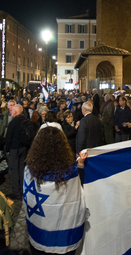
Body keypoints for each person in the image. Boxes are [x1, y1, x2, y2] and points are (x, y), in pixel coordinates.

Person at [24, 127, 87, 255]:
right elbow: (78, 191)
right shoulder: (70, 173)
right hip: (63, 233)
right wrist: (80, 165)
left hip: (39, 230)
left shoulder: (29, 170)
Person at [5, 105, 29, 199]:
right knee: (21, 169)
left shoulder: (13, 123)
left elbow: (9, 137)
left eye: (12, 110)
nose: (11, 112)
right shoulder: (25, 121)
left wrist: (7, 150)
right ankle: (23, 190)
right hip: (23, 148)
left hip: (14, 149)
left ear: (15, 112)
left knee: (14, 171)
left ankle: (16, 192)